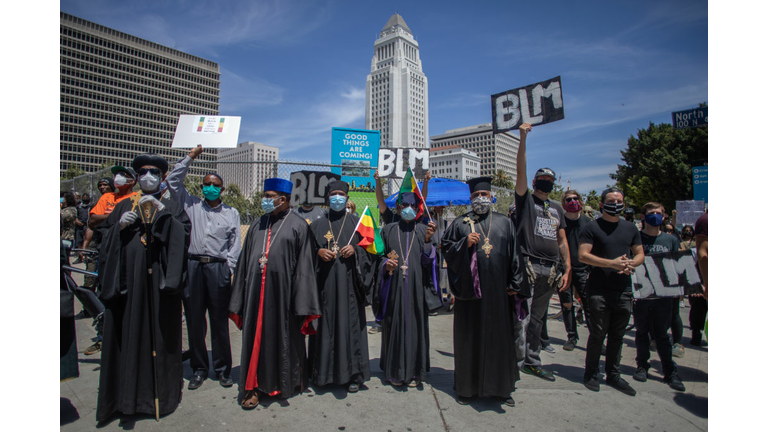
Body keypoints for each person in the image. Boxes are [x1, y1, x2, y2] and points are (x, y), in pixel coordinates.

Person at [96, 154, 191, 423]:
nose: (149, 177)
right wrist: (118, 227)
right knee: (126, 335)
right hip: (128, 284)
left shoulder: (171, 206)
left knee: (160, 337)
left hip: (159, 284)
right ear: (136, 176)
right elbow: (103, 240)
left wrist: (164, 217)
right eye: (144, 172)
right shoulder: (123, 204)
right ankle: (124, 398)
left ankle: (160, 395)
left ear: (161, 177)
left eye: (154, 173)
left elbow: (183, 235)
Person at [229, 178, 321, 410]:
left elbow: (305, 268)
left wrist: (301, 303)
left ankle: (281, 385)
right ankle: (253, 387)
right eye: (265, 196)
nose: (266, 201)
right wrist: (239, 295)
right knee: (255, 340)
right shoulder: (257, 223)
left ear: (284, 199)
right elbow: (244, 262)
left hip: (283, 298)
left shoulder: (299, 225)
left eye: (270, 196)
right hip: (255, 296)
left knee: (282, 340)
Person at [165, 145, 241, 390]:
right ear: (201, 188)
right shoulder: (190, 205)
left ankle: (222, 369)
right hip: (194, 267)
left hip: (217, 269)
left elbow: (234, 245)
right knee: (195, 321)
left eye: (214, 184)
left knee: (219, 323)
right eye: (206, 184)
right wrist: (191, 157)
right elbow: (172, 182)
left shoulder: (232, 213)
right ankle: (199, 368)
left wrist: (228, 270)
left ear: (222, 189)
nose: (210, 187)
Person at [442, 176, 523, 407]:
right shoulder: (460, 223)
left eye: (484, 195)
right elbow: (446, 250)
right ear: (470, 198)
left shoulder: (505, 223)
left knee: (500, 340)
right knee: (469, 339)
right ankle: (467, 389)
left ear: (491, 197)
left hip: (498, 293)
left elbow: (515, 253)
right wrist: (463, 244)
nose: (480, 199)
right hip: (470, 294)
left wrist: (515, 283)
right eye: (476, 195)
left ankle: (501, 389)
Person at [512, 122, 571, 382]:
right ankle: (515, 362)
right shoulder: (526, 201)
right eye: (541, 180)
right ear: (535, 182)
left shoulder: (557, 208)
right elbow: (520, 171)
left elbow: (561, 238)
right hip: (528, 266)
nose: (545, 184)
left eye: (549, 180)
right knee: (522, 319)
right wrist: (523, 138)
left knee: (538, 319)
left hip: (551, 269)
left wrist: (567, 267)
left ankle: (533, 361)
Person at [578, 187, 644, 396]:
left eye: (618, 200)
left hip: (623, 290)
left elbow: (640, 253)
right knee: (598, 334)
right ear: (601, 204)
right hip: (598, 290)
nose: (615, 203)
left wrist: (632, 263)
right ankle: (591, 373)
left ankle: (613, 374)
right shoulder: (592, 227)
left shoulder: (630, 228)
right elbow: (583, 256)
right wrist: (611, 264)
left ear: (623, 204)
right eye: (610, 200)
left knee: (617, 335)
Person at [308, 180, 372, 393]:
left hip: (350, 289)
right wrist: (317, 253)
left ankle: (353, 375)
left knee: (349, 327)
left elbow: (374, 252)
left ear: (347, 197)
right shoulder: (317, 225)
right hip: (324, 288)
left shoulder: (358, 223)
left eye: (340, 194)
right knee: (325, 328)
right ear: (328, 198)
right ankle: (322, 375)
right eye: (333, 194)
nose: (337, 198)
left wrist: (356, 250)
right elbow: (304, 256)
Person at [375, 192, 438, 387]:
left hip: (416, 289)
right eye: (404, 206)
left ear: (417, 209)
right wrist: (385, 264)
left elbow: (430, 263)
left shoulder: (423, 230)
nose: (407, 209)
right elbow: (378, 257)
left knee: (415, 326)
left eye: (412, 206)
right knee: (394, 325)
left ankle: (415, 373)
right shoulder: (388, 230)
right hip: (394, 288)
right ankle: (394, 371)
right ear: (399, 208)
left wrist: (428, 241)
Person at [631, 202, 685, 392]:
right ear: (643, 217)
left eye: (659, 213)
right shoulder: (636, 238)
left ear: (664, 217)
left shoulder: (670, 240)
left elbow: (678, 266)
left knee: (662, 335)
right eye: (651, 213)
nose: (656, 216)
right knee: (641, 332)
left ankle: (669, 371)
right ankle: (642, 365)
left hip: (664, 295)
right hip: (642, 294)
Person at [560, 190, 590, 351]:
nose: (572, 201)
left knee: (588, 304)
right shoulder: (560, 221)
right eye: (569, 199)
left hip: (583, 269)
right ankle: (572, 336)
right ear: (564, 203)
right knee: (567, 303)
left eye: (575, 198)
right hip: (564, 270)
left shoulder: (588, 222)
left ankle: (596, 339)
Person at [690, 212, 708, 344]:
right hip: (703, 275)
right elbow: (703, 253)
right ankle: (696, 332)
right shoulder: (705, 220)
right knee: (698, 306)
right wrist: (706, 282)